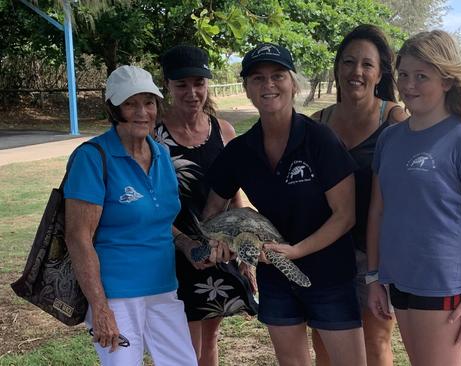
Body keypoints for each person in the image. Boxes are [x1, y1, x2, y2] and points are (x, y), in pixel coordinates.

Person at [203, 43, 366, 366]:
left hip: (329, 272)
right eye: (258, 78)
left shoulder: (319, 139)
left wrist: (295, 251)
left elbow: (345, 215)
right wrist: (218, 238)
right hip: (274, 274)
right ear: (247, 88)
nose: (268, 85)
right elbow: (212, 211)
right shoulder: (240, 151)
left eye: (278, 76)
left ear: (293, 83)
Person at [366, 30, 461, 366]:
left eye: (421, 76)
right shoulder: (390, 138)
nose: (409, 85)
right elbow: (377, 212)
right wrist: (374, 277)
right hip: (398, 279)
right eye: (404, 75)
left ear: (447, 81)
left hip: (441, 285)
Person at [64, 65, 198, 365]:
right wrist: (100, 307)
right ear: (114, 109)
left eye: (149, 102)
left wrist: (189, 246)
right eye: (130, 103)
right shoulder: (92, 157)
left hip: (163, 286)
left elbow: (160, 220)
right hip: (116, 294)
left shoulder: (162, 154)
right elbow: (78, 237)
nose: (142, 112)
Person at [310, 24, 408, 366]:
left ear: (380, 73)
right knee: (325, 342)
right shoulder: (316, 124)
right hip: (325, 251)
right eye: (349, 62)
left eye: (367, 64)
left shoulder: (396, 120)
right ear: (337, 68)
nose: (357, 71)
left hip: (376, 253)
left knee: (376, 339)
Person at [155, 45, 258, 366]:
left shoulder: (223, 131)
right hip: (171, 252)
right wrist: (183, 243)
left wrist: (245, 254)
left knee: (210, 337)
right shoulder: (153, 137)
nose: (192, 92)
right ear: (168, 85)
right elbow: (149, 203)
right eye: (181, 84)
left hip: (217, 251)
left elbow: (234, 196)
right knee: (184, 341)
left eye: (198, 82)